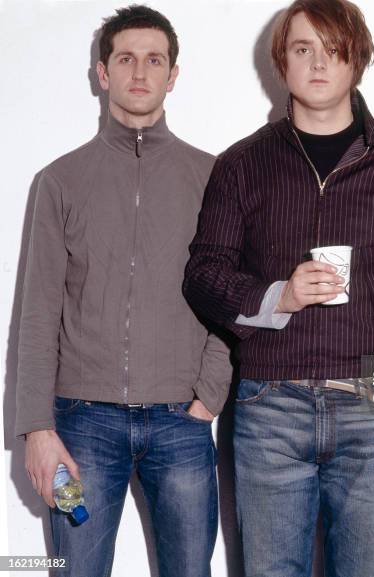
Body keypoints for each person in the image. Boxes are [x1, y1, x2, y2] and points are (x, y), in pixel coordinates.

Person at [182, 1, 374, 575]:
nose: (317, 63)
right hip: (269, 407)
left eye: (332, 49)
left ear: (356, 60)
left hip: (372, 407)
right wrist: (276, 296)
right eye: (302, 48)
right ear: (281, 62)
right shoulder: (243, 163)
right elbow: (204, 273)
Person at [16, 6, 232, 577]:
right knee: (75, 568)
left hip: (182, 427)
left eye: (154, 60)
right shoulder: (59, 181)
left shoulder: (213, 178)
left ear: (173, 75)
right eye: (126, 58)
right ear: (103, 72)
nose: (140, 72)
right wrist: (37, 430)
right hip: (80, 429)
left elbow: (232, 297)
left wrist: (209, 394)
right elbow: (37, 313)